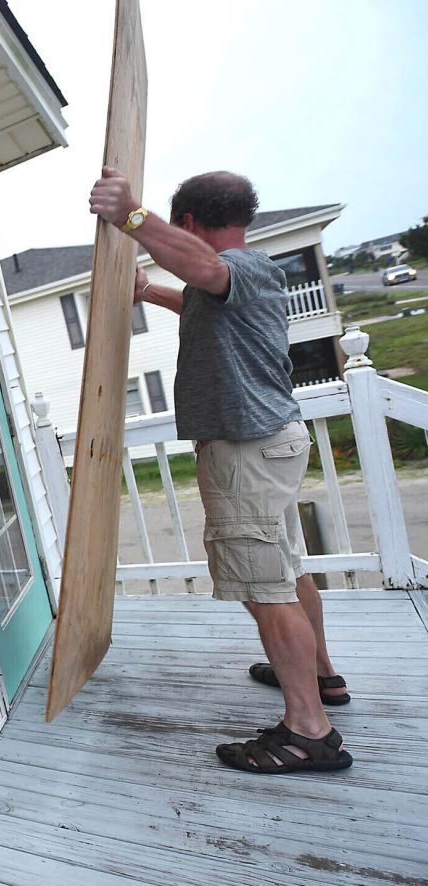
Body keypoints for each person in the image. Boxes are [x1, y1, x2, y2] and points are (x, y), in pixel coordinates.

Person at [88, 168, 353, 774]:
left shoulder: (244, 267)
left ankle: (308, 729)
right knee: (284, 570)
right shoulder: (238, 284)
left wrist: (131, 215)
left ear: (187, 223)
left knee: (265, 588)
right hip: (269, 445)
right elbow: (202, 296)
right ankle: (322, 676)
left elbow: (206, 273)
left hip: (246, 452)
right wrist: (151, 292)